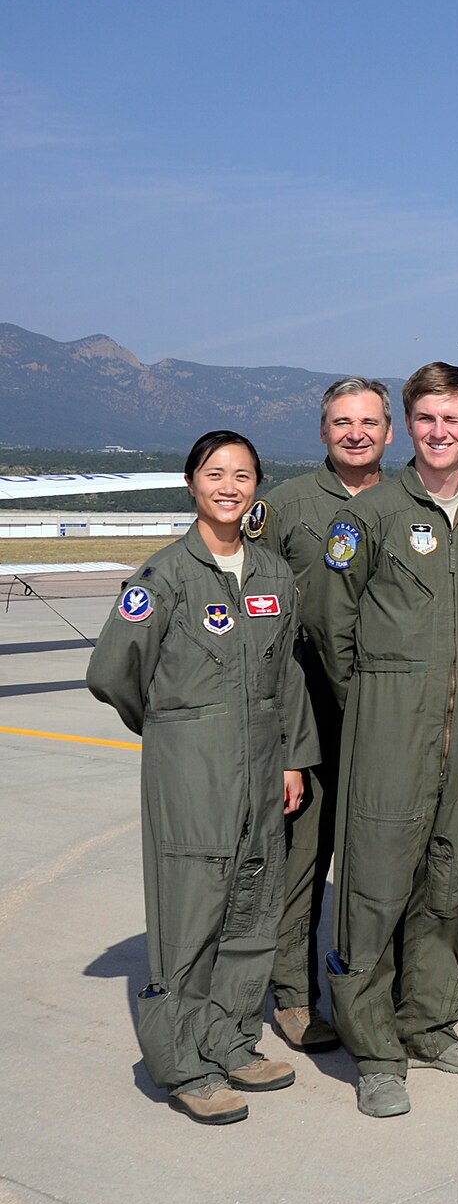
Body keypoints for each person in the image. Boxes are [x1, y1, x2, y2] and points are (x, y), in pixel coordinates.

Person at [88, 431, 316, 1125]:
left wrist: (292, 758)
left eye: (242, 475)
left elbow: (289, 677)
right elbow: (111, 673)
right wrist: (174, 729)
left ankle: (230, 1040)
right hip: (191, 770)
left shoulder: (275, 575)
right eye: (214, 473)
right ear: (191, 483)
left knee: (251, 908)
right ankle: (182, 1062)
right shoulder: (164, 577)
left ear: (257, 487)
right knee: (191, 916)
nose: (229, 486)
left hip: (260, 765)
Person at [308, 361, 458, 1118]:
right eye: (425, 419)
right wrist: (378, 701)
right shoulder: (372, 515)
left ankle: (428, 1021)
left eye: (451, 418)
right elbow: (331, 624)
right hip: (391, 715)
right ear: (406, 428)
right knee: (376, 885)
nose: (438, 431)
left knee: (455, 883)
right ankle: (375, 1049)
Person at [246, 376, 392, 1055]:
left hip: (390, 715)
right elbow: (256, 623)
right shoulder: (283, 509)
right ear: (323, 431)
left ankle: (380, 989)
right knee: (302, 861)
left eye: (368, 421)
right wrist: (278, 740)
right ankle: (295, 997)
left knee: (390, 864)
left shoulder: (413, 502)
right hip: (308, 718)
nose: (355, 432)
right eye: (342, 421)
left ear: (389, 431)